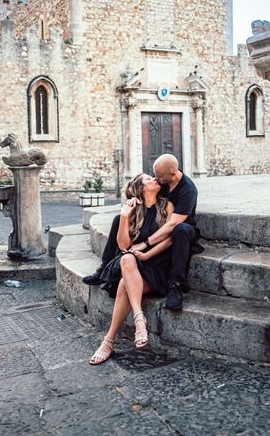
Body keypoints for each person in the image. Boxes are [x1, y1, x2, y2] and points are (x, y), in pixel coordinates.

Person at [83, 153, 202, 310]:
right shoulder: (162, 180)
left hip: (181, 230)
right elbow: (141, 190)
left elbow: (172, 225)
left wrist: (145, 245)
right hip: (159, 223)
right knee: (119, 219)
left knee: (180, 230)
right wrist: (132, 201)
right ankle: (105, 267)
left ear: (172, 174)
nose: (155, 178)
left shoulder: (188, 190)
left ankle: (176, 285)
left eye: (158, 176)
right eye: (154, 175)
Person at [89, 172, 174, 365]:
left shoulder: (166, 206)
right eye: (148, 179)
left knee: (123, 285)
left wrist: (146, 253)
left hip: (158, 266)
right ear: (141, 188)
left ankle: (108, 341)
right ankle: (138, 318)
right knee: (127, 260)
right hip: (135, 267)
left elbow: (170, 238)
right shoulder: (133, 211)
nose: (154, 179)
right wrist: (124, 217)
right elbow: (123, 246)